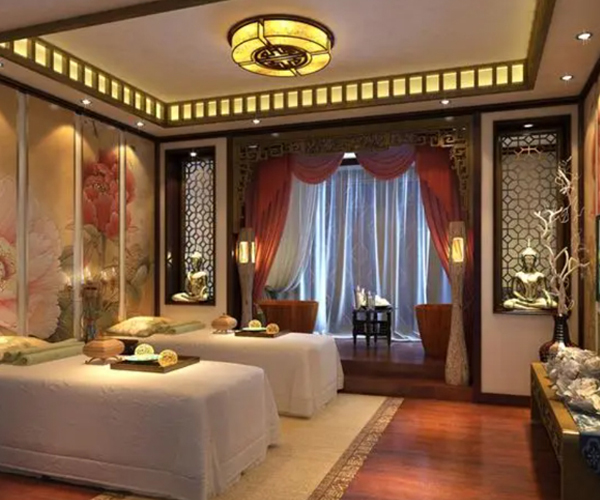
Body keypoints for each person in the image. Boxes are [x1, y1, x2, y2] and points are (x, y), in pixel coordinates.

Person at [503, 244, 557, 311]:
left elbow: (544, 290)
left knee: (554, 304)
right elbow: (514, 291)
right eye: (527, 259)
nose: (529, 262)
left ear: (534, 261)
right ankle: (531, 308)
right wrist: (523, 299)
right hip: (523, 300)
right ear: (523, 261)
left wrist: (549, 298)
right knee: (507, 304)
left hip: (536, 300)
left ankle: (527, 307)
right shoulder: (518, 275)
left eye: (531, 259)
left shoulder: (539, 275)